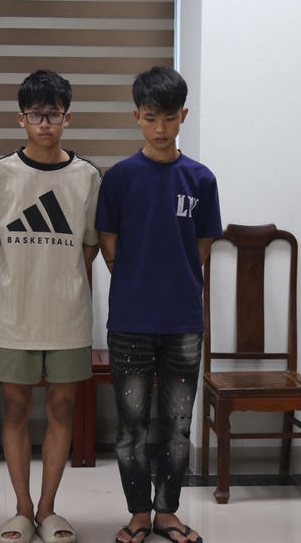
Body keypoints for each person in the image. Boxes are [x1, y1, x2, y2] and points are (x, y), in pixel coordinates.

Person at [0, 69, 101, 543]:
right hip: (13, 315)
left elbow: (89, 247)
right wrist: (17, 277)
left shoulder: (87, 177)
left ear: (68, 118)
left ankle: (48, 509)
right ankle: (22, 510)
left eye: (53, 114)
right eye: (35, 114)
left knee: (63, 407)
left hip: (68, 315)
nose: (45, 123)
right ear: (20, 118)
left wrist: (58, 276)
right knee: (15, 407)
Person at [95, 66, 221, 543]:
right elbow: (108, 243)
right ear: (137, 117)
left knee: (177, 425)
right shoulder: (120, 178)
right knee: (131, 427)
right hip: (130, 320)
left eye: (169, 118)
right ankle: (138, 514)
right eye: (151, 118)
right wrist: (137, 281)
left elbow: (203, 245)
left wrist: (174, 280)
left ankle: (167, 512)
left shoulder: (201, 179)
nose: (161, 128)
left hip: (184, 321)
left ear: (183, 115)